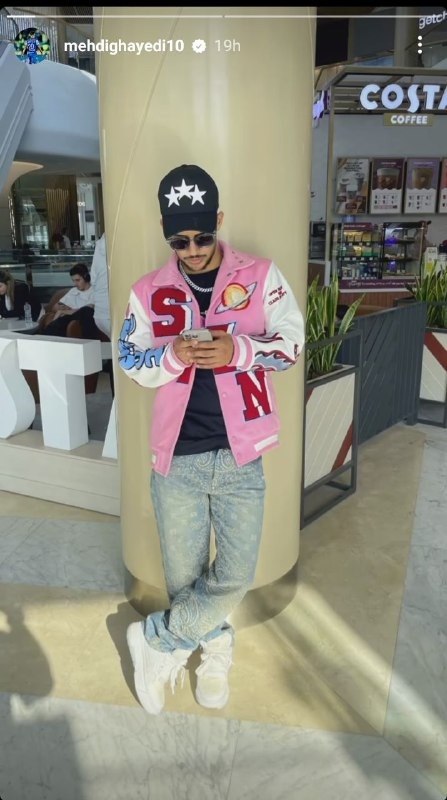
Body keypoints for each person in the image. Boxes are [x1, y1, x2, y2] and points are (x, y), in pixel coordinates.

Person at [118, 164, 305, 716]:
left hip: (241, 455)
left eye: (203, 236)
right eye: (180, 241)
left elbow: (292, 344)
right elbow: (129, 359)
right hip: (176, 459)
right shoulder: (148, 291)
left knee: (236, 575)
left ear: (219, 220)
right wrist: (172, 355)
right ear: (165, 232)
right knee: (185, 579)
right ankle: (215, 651)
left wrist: (238, 351)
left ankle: (158, 641)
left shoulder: (261, 275)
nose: (194, 250)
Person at [37, 263, 98, 337]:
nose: (75, 284)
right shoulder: (73, 291)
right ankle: (42, 338)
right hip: (69, 317)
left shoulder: (95, 291)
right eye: (73, 281)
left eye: (77, 280)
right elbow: (56, 306)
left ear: (86, 277)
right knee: (58, 324)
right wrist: (64, 309)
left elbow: (90, 308)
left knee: (86, 310)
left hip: (85, 318)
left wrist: (63, 311)